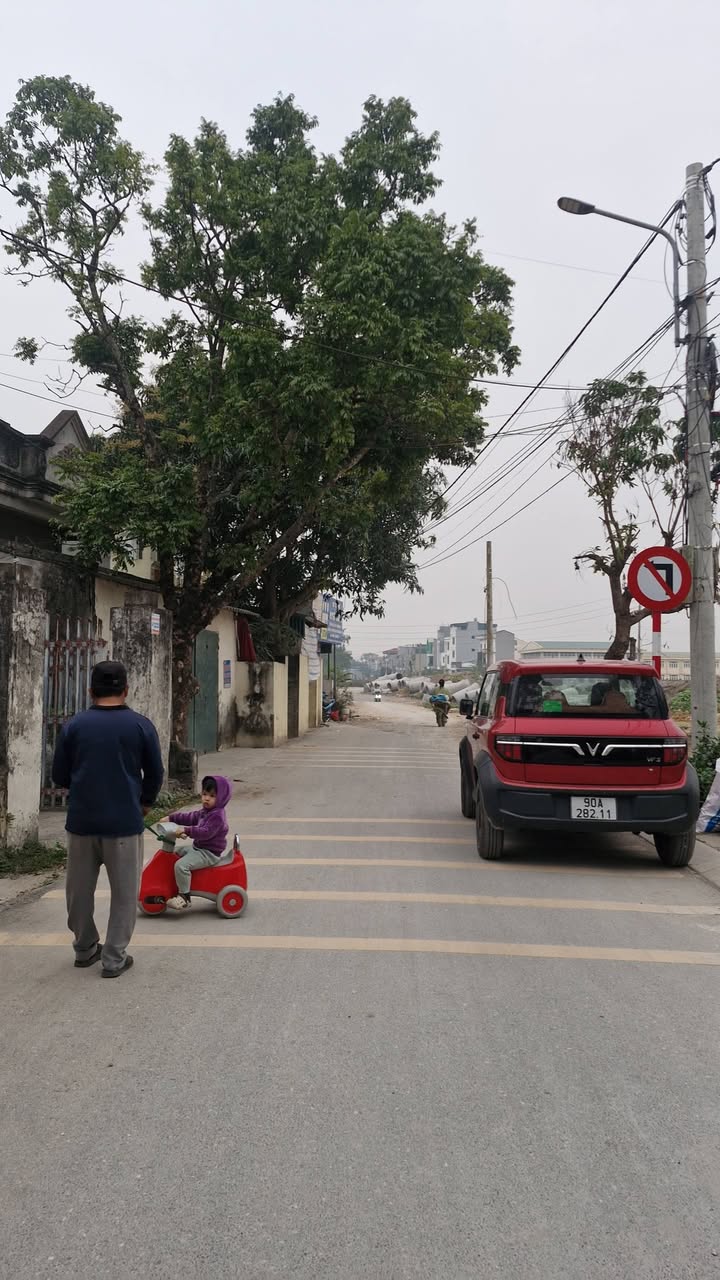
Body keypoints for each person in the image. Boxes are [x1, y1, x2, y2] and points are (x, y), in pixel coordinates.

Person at [52, 660, 164, 978]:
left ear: (91, 691)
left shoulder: (73, 726)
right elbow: (155, 773)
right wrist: (144, 803)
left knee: (78, 892)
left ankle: (85, 949)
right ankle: (114, 958)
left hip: (82, 824)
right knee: (125, 894)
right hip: (124, 825)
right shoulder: (141, 726)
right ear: (126, 690)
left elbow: (59, 775)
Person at [165, 776, 232, 910]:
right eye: (204, 794)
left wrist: (186, 830)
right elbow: (190, 817)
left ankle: (185, 897)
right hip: (198, 848)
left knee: (181, 865)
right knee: (174, 853)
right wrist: (171, 818)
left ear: (221, 798)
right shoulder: (205, 811)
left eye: (212, 796)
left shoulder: (217, 816)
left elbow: (205, 832)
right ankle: (174, 884)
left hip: (208, 854)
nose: (206, 798)